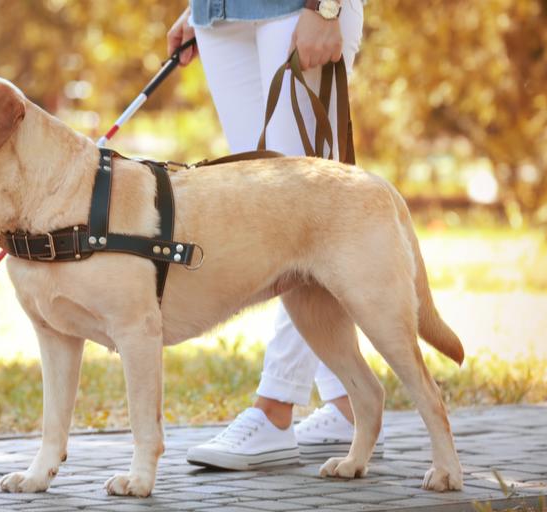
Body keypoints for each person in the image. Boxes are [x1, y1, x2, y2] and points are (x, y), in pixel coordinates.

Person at [167, 0, 383, 470]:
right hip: (222, 17)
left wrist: (326, 9)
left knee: (307, 214)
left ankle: (275, 406)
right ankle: (348, 405)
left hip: (296, 10)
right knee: (265, 214)